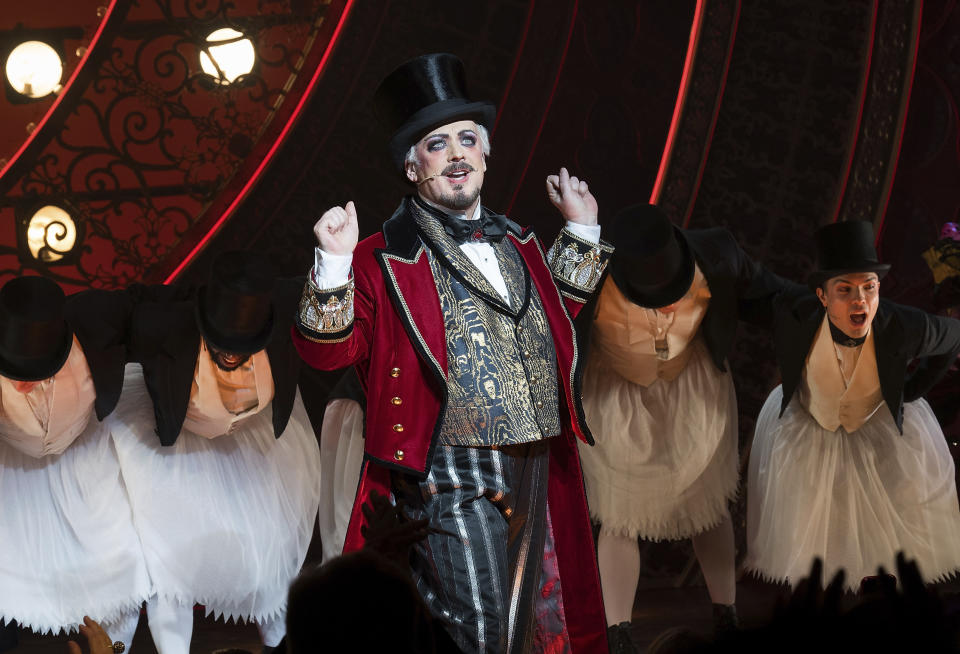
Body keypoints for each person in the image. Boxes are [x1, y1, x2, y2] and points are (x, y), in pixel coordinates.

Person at [291, 53, 613, 652]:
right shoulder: (379, 257)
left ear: (486, 156)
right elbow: (327, 355)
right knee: (478, 630)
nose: (457, 153)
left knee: (537, 623)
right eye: (438, 145)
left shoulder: (519, 240)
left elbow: (548, 325)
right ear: (412, 168)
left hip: (535, 456)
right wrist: (333, 264)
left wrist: (582, 232)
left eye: (468, 139)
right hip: (447, 468)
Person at [575, 204, 787, 652]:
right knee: (619, 516)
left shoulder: (716, 251)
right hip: (615, 395)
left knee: (707, 504)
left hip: (692, 389)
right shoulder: (587, 263)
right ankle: (619, 632)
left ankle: (725, 612)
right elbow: (545, 314)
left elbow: (779, 298)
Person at [110, 251, 322, 653]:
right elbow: (104, 314)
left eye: (243, 344)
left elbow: (335, 285)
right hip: (176, 441)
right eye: (223, 341)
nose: (231, 352)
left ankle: (284, 645)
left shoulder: (287, 308)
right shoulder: (161, 320)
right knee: (170, 563)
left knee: (268, 551)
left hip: (250, 437)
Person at [746, 220, 960, 590]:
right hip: (814, 423)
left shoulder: (902, 326)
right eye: (844, 290)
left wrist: (914, 389)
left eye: (869, 288)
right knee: (819, 525)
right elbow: (743, 285)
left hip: (875, 423)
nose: (859, 300)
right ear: (822, 296)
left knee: (885, 523)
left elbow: (952, 336)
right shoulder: (791, 310)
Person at [0, 276, 150, 651]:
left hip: (84, 453)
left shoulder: (98, 318)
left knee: (117, 557)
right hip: (13, 467)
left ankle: (113, 645)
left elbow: (157, 306)